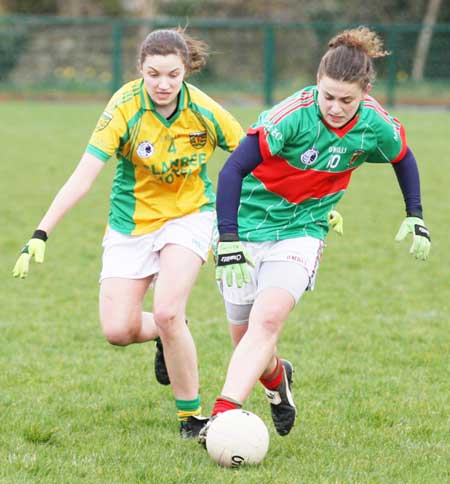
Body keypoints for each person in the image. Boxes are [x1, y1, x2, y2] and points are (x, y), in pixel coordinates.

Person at [200, 26, 431, 440]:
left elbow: (403, 156)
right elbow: (232, 170)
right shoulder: (289, 116)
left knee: (266, 321)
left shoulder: (373, 122)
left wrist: (415, 213)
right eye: (328, 96)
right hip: (246, 225)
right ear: (316, 84)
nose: (337, 107)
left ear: (365, 92)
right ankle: (277, 381)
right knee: (247, 343)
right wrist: (230, 239)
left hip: (303, 229)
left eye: (348, 100)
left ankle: (222, 414)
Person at [12, 28, 244, 438]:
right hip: (131, 224)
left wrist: (306, 200)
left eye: (173, 74)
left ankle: (191, 417)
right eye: (153, 73)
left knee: (168, 308)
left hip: (189, 216)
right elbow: (83, 177)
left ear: (186, 70)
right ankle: (167, 330)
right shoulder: (123, 106)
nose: (163, 84)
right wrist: (40, 232)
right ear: (140, 69)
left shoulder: (205, 111)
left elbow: (253, 158)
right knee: (117, 330)